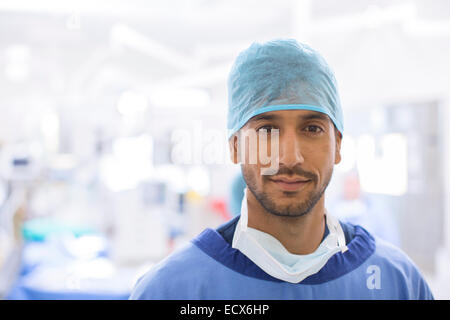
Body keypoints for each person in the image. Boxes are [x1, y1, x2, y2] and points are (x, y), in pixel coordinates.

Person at [130, 39, 433, 299]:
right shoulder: (173, 290)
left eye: (312, 128)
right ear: (235, 146)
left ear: (338, 145)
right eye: (266, 130)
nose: (290, 157)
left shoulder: (399, 283)